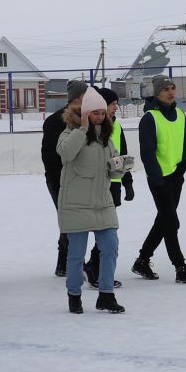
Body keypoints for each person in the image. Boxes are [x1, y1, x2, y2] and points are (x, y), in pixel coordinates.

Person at [57, 86, 127, 314]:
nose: (100, 117)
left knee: (111, 248)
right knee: (76, 254)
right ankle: (74, 296)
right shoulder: (69, 133)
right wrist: (83, 129)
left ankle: (106, 295)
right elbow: (66, 154)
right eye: (94, 113)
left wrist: (121, 168)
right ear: (85, 113)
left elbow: (112, 171)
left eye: (102, 113)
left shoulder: (106, 138)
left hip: (102, 203)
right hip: (76, 204)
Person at [133, 75, 186, 284]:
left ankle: (143, 259)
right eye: (165, 89)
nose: (171, 92)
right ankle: (180, 267)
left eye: (172, 88)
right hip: (160, 179)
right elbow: (147, 152)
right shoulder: (149, 118)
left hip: (176, 176)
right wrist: (157, 178)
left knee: (164, 220)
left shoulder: (180, 114)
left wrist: (183, 165)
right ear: (157, 93)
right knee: (171, 221)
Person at [42, 80, 95, 277]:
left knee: (74, 221)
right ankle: (68, 263)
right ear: (78, 97)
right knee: (70, 220)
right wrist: (61, 180)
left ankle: (64, 263)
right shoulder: (55, 121)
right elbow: (49, 156)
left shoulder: (88, 118)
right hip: (59, 180)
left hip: (81, 179)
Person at [82, 86, 129, 291]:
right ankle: (92, 268)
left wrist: (128, 183)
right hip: (98, 185)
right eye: (112, 104)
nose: (115, 107)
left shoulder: (115, 126)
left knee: (107, 230)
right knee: (101, 229)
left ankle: (95, 267)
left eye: (115, 104)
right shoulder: (91, 130)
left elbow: (122, 155)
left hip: (114, 183)